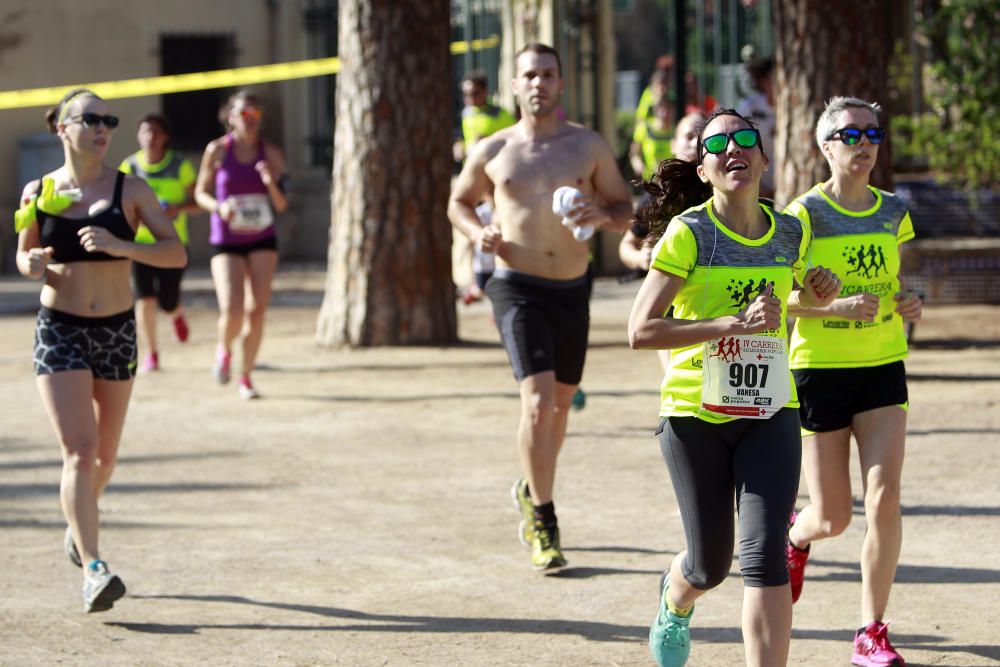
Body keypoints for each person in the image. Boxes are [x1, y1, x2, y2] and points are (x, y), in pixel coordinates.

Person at [627, 108, 840, 666]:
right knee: (710, 565)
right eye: (717, 143)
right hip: (694, 415)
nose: (733, 149)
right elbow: (640, 329)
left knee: (765, 553)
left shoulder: (791, 231)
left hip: (770, 409)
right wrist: (728, 325)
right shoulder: (690, 232)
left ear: (764, 160)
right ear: (704, 170)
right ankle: (676, 598)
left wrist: (819, 288)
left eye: (746, 139)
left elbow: (797, 297)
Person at [448, 43, 632, 572]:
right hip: (516, 283)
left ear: (561, 83)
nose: (539, 84)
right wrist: (476, 230)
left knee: (559, 406)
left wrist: (602, 214)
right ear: (515, 84)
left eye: (548, 74)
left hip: (573, 287)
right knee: (536, 401)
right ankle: (545, 520)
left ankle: (531, 489)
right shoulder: (494, 151)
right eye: (529, 75)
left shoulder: (588, 147)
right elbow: (457, 202)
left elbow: (624, 209)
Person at [14, 88, 186, 612]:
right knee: (80, 450)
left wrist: (124, 246)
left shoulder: (131, 189)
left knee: (106, 456)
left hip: (115, 328)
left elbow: (175, 252)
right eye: (88, 119)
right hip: (59, 327)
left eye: (108, 119)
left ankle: (79, 519)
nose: (102, 126)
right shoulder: (37, 191)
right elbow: (21, 255)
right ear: (62, 128)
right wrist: (34, 263)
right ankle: (94, 568)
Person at [784, 96, 922, 667]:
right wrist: (835, 303)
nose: (863, 143)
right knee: (833, 518)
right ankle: (797, 536)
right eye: (849, 134)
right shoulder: (802, 215)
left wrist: (910, 302)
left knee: (885, 500)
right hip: (819, 371)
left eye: (872, 133)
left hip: (883, 365)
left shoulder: (894, 211)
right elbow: (783, 302)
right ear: (825, 146)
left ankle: (871, 629)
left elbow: (897, 285)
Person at [194, 91, 288, 399]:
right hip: (226, 237)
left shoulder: (271, 153)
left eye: (256, 115)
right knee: (232, 308)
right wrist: (218, 207)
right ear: (230, 117)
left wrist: (269, 182)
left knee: (256, 310)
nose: (251, 121)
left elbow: (282, 205)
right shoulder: (217, 151)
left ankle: (246, 376)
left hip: (262, 236)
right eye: (245, 115)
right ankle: (224, 349)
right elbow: (200, 194)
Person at [620, 111, 705, 373]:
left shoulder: (723, 193)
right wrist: (640, 258)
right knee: (677, 374)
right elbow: (625, 246)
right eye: (689, 136)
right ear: (674, 144)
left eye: (702, 137)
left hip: (707, 299)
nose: (695, 143)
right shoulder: (658, 197)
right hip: (668, 301)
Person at [119, 113, 198, 371]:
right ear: (138, 136)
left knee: (167, 301)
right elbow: (118, 205)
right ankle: (151, 353)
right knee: (144, 300)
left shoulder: (179, 166)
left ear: (165, 137)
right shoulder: (129, 167)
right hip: (140, 245)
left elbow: (197, 202)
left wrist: (178, 208)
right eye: (145, 132)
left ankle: (175, 313)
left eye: (155, 132)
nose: (150, 138)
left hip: (172, 245)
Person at [454, 71, 516, 305]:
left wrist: (487, 143)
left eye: (474, 93)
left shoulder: (502, 115)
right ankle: (476, 283)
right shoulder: (466, 114)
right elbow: (465, 141)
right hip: (473, 181)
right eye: (466, 93)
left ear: (484, 92)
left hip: (496, 182)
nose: (469, 97)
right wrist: (460, 147)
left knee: (498, 230)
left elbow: (513, 144)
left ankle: (491, 288)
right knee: (473, 232)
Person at [736, 57, 776, 198]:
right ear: (762, 81)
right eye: (774, 78)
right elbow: (738, 148)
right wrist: (758, 187)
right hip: (757, 191)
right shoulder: (748, 108)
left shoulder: (799, 111)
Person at [629, 97, 675, 181]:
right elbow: (634, 153)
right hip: (650, 181)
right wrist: (637, 164)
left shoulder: (676, 130)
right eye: (661, 109)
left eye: (668, 109)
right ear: (655, 110)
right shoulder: (645, 128)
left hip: (670, 181)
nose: (664, 113)